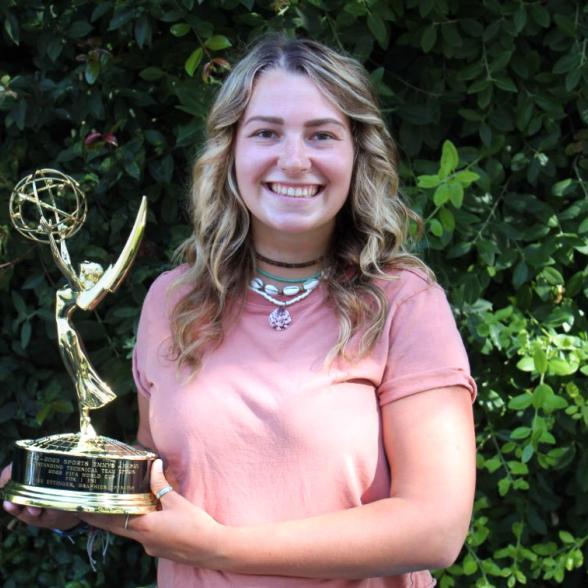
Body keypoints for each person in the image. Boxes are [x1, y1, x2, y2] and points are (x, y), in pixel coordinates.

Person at [1, 35, 476, 587]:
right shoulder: (174, 299)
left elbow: (434, 529)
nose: (294, 160)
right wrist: (77, 496)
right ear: (230, 152)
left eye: (321, 135)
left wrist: (221, 548)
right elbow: (165, 473)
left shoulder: (403, 302)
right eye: (266, 133)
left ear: (356, 153)